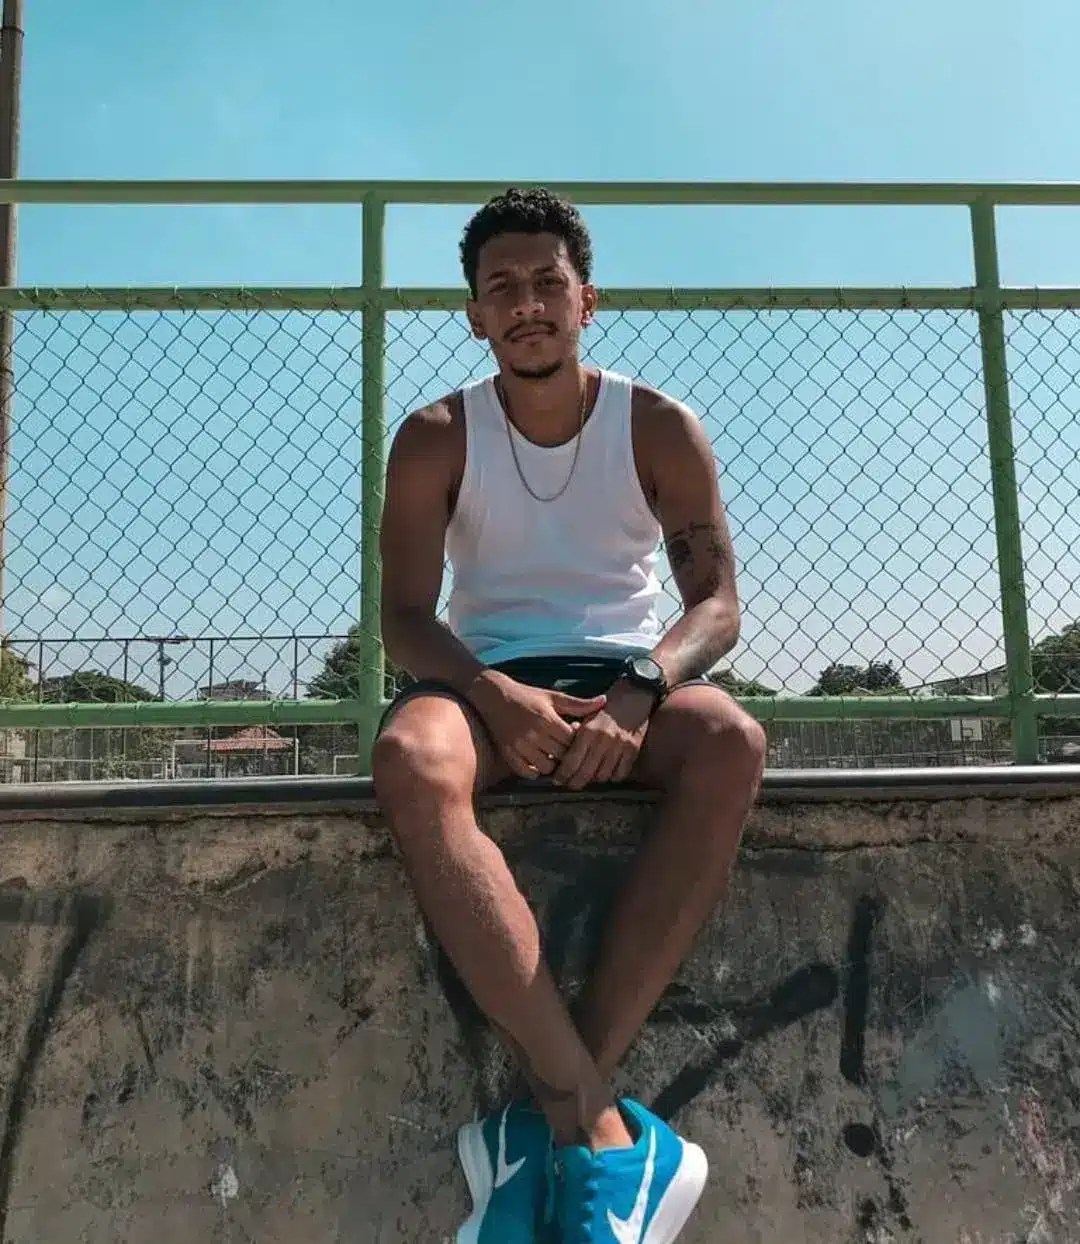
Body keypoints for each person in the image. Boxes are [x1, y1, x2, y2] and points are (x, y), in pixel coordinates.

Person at [373, 187, 766, 1244]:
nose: (527, 303)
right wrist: (491, 692)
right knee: (409, 758)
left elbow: (717, 604)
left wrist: (641, 685)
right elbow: (403, 617)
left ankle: (546, 1123)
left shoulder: (659, 426)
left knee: (731, 741)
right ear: (474, 315)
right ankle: (598, 1130)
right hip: (486, 679)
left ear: (588, 299)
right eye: (501, 287)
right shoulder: (435, 436)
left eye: (548, 282)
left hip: (622, 678)